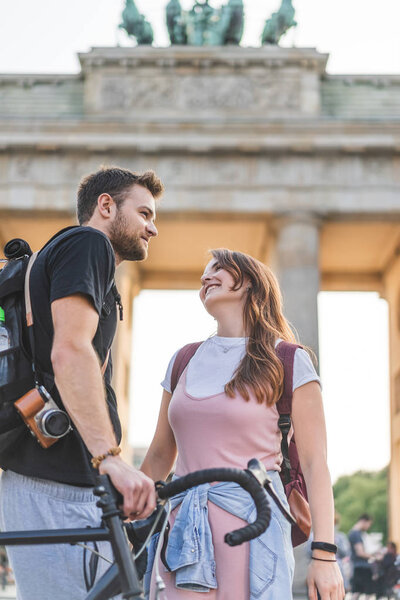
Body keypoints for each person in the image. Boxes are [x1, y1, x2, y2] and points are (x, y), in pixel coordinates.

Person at [140, 249, 345, 600]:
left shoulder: (289, 360)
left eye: (218, 269)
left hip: (254, 529)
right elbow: (160, 454)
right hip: (182, 530)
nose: (206, 277)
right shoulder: (183, 360)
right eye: (204, 273)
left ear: (250, 282)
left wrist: (324, 556)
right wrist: (121, 513)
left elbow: (314, 464)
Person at [0, 166, 164, 600]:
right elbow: (70, 351)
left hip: (61, 480)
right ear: (106, 206)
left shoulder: (83, 259)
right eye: (145, 213)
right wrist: (109, 457)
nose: (153, 228)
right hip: (55, 482)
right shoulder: (89, 243)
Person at [348, 513, 375, 595]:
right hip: (361, 566)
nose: (368, 526)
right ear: (364, 521)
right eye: (369, 524)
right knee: (364, 592)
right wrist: (374, 557)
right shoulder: (356, 534)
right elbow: (360, 552)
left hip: (357, 566)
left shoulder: (353, 532)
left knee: (358, 592)